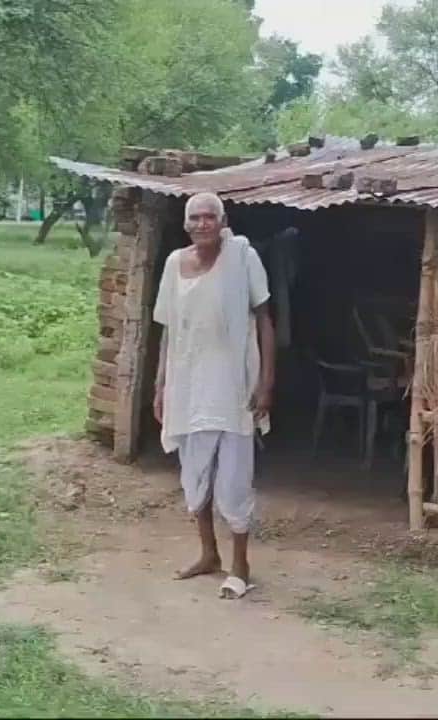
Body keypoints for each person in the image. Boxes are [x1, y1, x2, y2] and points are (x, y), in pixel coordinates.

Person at [152, 192, 275, 600]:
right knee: (194, 471)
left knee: (235, 476)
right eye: (195, 217)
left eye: (210, 217)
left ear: (223, 221)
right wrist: (160, 384)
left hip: (233, 382)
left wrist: (266, 382)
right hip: (188, 383)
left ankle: (240, 564)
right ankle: (208, 553)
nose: (203, 223)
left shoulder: (243, 258)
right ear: (186, 224)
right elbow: (169, 329)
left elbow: (264, 320)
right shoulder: (174, 263)